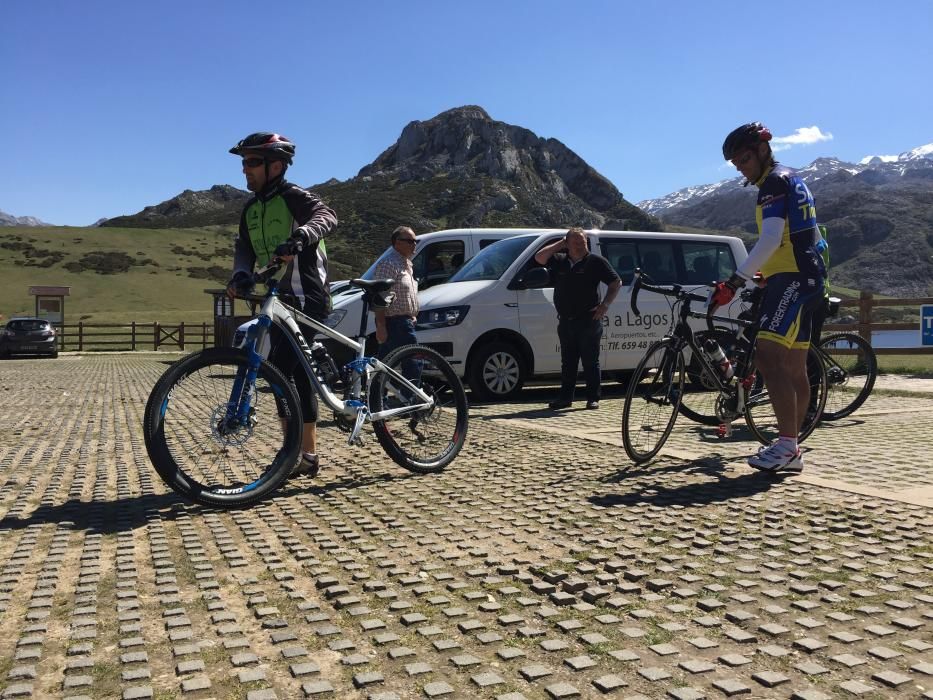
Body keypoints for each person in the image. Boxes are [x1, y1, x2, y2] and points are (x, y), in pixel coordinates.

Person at [713, 122, 826, 474]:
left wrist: (734, 281)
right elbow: (794, 238)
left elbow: (772, 239)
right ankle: (792, 445)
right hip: (807, 277)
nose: (741, 168)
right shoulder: (789, 178)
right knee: (793, 365)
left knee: (768, 358)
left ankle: (788, 447)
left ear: (763, 149)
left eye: (744, 159)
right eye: (735, 164)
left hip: (792, 278)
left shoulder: (774, 182)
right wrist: (765, 272)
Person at [225, 132, 338, 479]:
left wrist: (303, 235)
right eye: (243, 162)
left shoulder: (292, 196)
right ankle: (297, 452)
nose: (245, 169)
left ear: (275, 165)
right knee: (280, 370)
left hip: (307, 296)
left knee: (288, 368)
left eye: (252, 162)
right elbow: (244, 247)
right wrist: (242, 274)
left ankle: (304, 453)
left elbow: (327, 215)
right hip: (278, 299)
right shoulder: (251, 208)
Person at [534, 227, 622, 410]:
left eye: (583, 242)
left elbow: (616, 282)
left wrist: (605, 304)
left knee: (590, 361)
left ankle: (593, 398)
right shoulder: (560, 261)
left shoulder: (596, 261)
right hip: (566, 321)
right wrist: (560, 243)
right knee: (568, 362)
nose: (581, 245)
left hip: (589, 319)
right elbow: (539, 258)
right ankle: (565, 399)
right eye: (576, 242)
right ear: (568, 244)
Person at [372, 226, 420, 359]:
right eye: (410, 241)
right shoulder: (389, 264)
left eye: (416, 241)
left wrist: (412, 315)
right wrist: (381, 326)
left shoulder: (406, 264)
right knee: (413, 362)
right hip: (394, 323)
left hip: (404, 322)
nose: (414, 244)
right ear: (397, 242)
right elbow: (381, 295)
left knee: (386, 364)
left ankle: (377, 380)